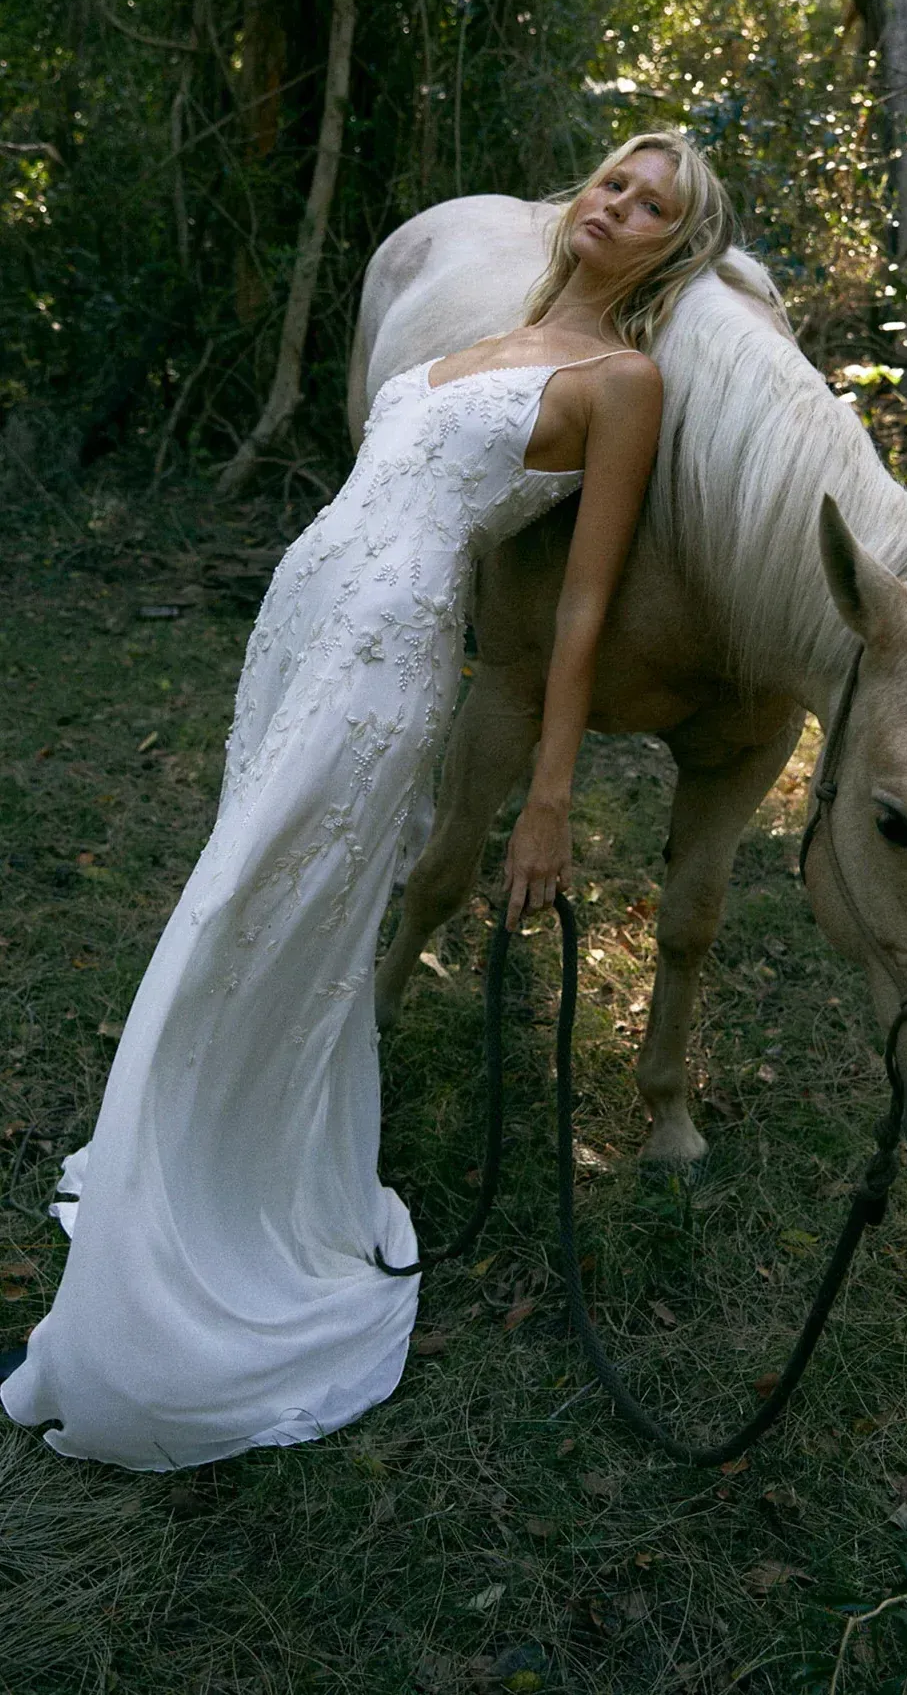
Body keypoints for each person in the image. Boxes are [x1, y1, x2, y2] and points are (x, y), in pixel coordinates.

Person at [1, 131, 738, 1470]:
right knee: (242, 892)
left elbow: (581, 602)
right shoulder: (484, 341)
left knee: (255, 914)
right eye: (613, 182)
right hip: (302, 620)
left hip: (391, 645)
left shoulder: (623, 381)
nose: (617, 205)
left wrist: (549, 796)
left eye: (652, 207)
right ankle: (198, 1177)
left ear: (672, 250)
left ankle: (190, 1266)